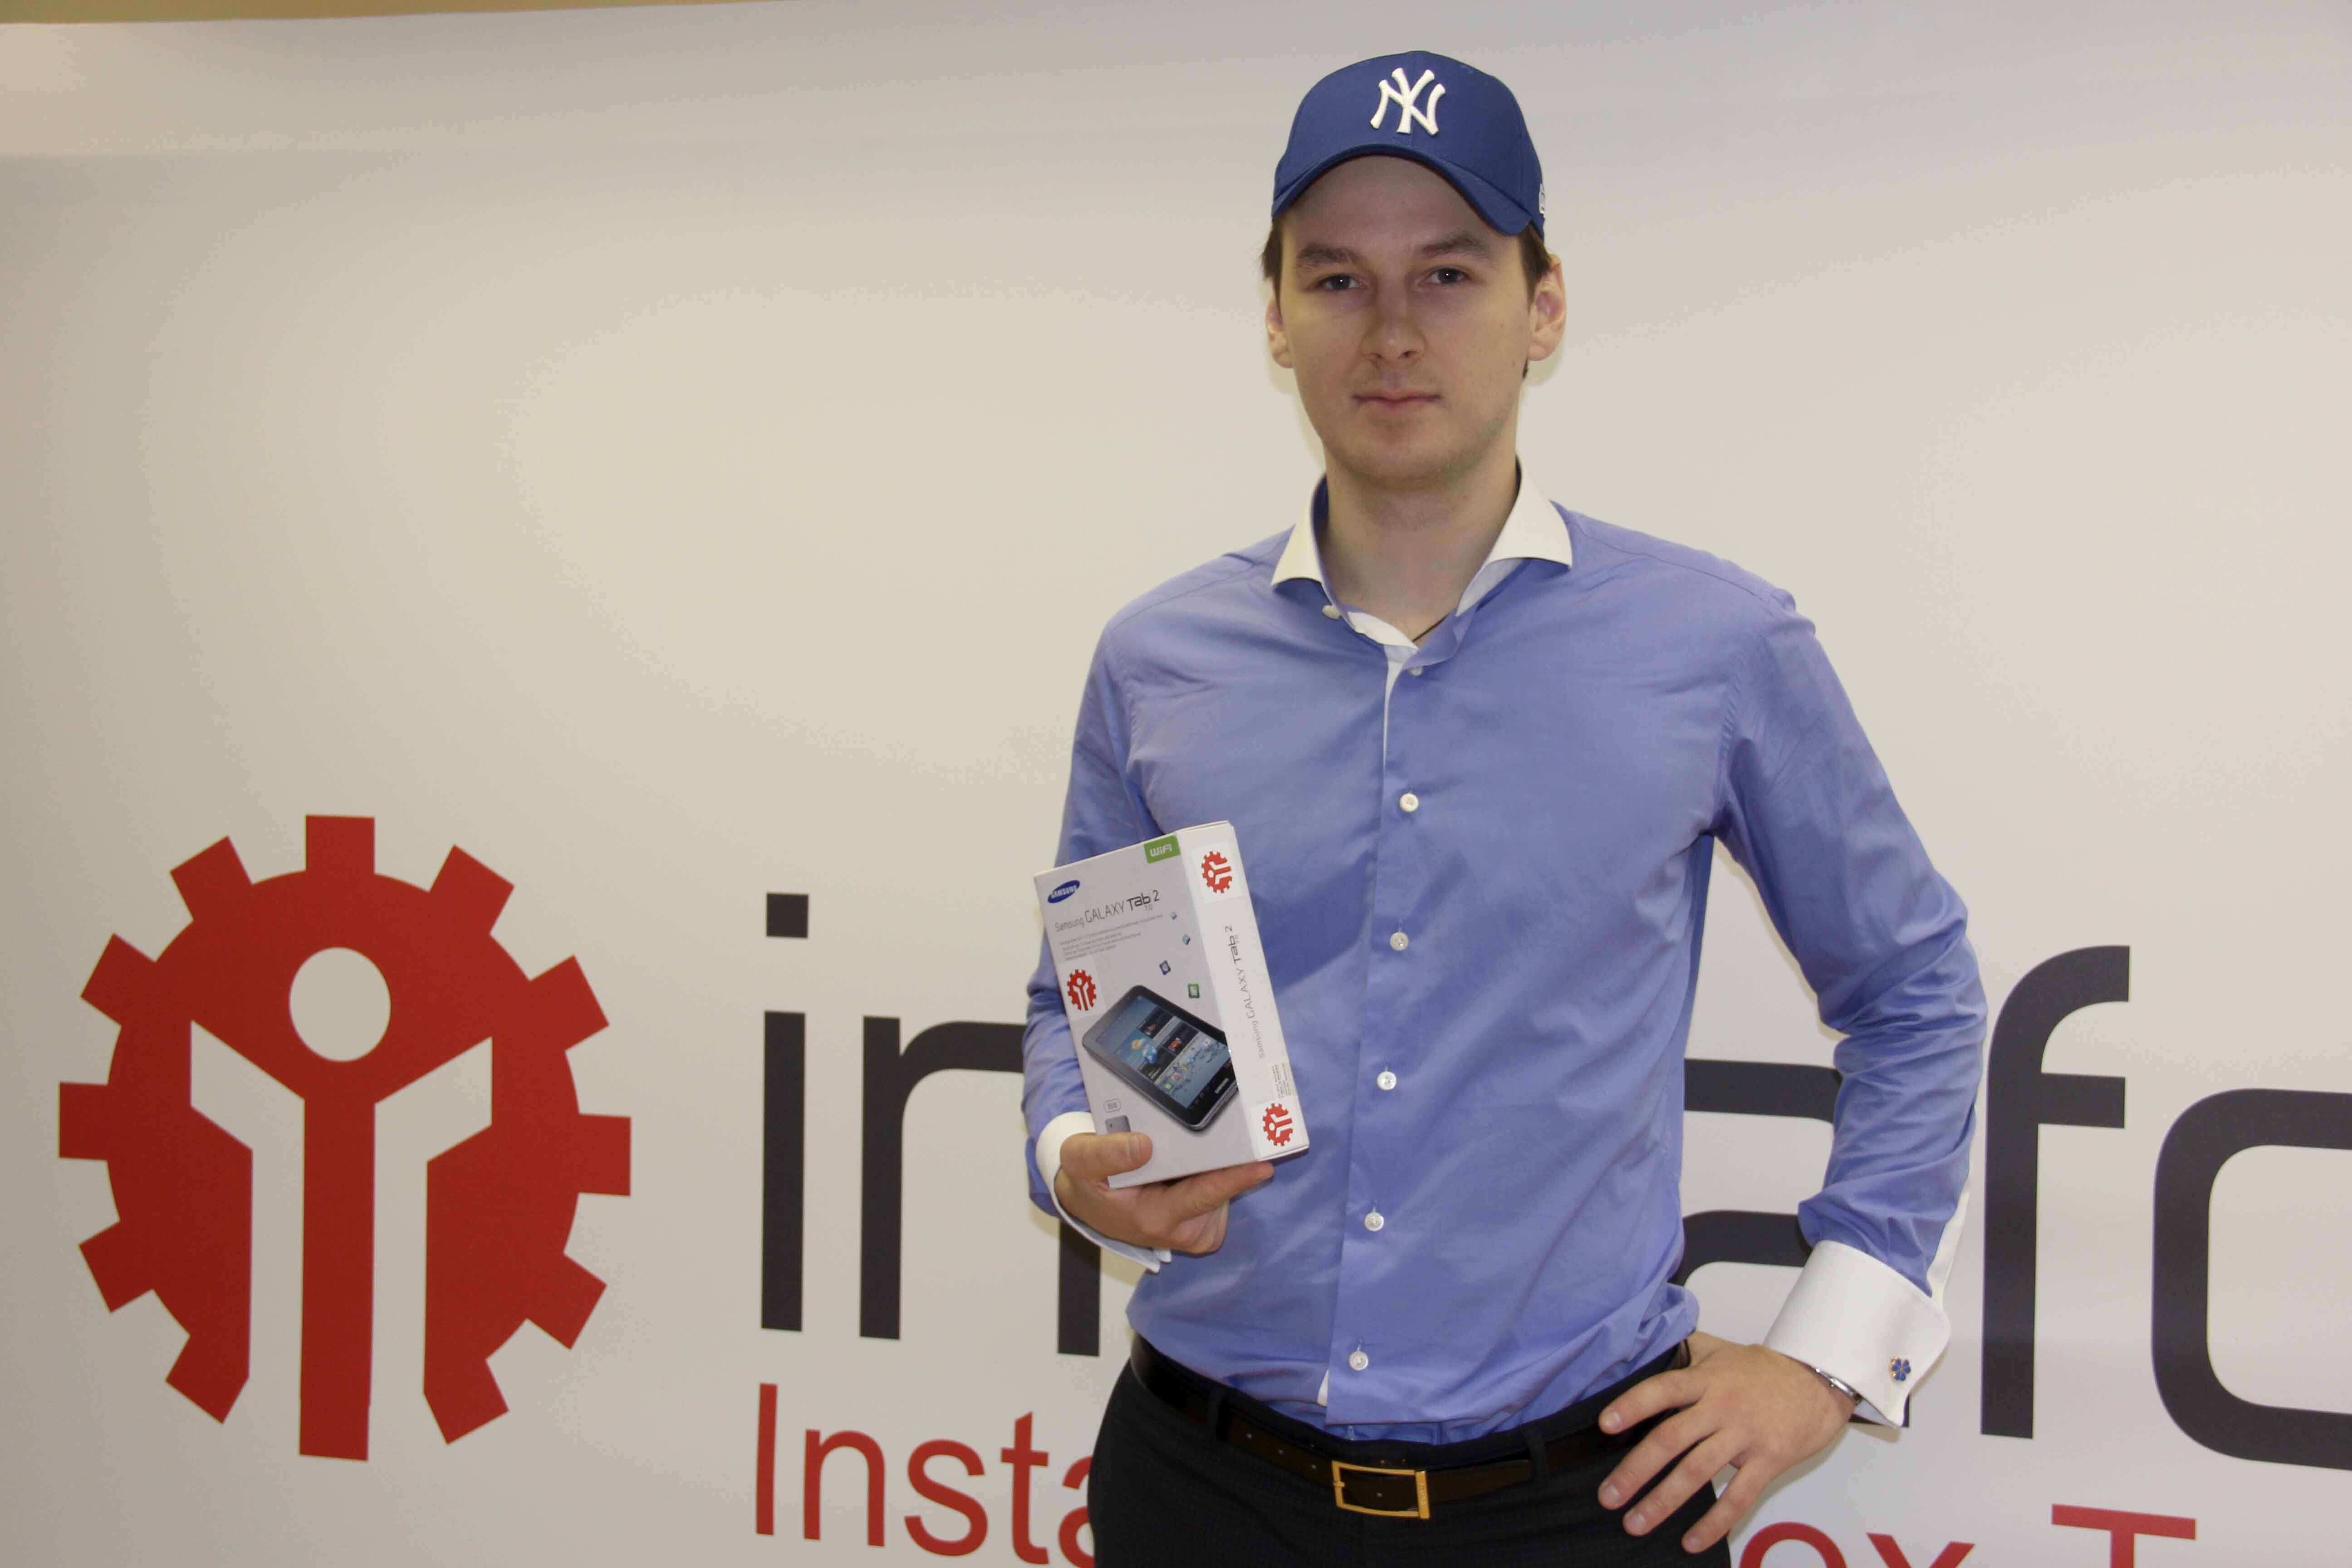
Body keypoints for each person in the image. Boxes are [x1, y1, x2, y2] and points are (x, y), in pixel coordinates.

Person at [1019, 49, 1984, 1566]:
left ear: (1544, 307)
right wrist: (1079, 1157)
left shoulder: (1716, 646)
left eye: (1450, 273)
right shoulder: (1160, 661)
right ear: (1274, 317)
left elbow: (1916, 992)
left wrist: (1827, 1355)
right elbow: (1076, 1001)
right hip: (1201, 1488)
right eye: (1337, 279)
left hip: (1574, 1510)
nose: (1393, 331)